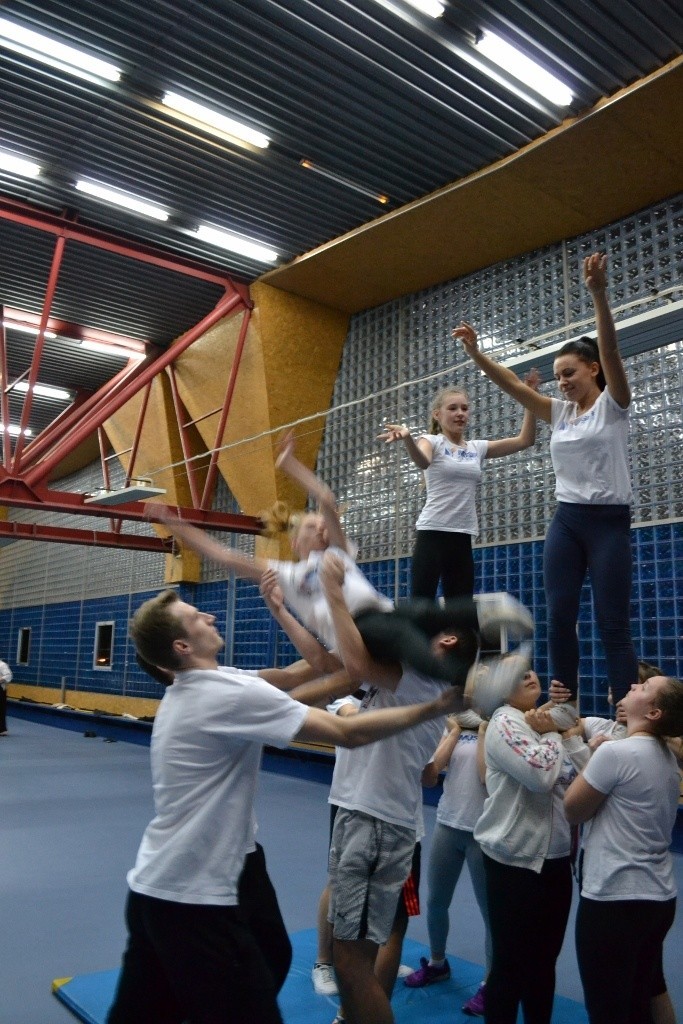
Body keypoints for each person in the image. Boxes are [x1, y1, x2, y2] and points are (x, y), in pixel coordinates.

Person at [106, 589, 466, 1024]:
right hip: (189, 888)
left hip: (214, 869)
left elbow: (306, 673)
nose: (208, 614)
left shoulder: (221, 681)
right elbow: (346, 732)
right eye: (195, 616)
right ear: (182, 646)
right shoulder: (221, 695)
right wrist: (436, 707)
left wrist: (326, 630)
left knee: (272, 954)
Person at [316, 552, 531, 1024]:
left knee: (354, 955)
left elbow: (353, 660)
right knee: (356, 947)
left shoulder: (412, 676)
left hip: (376, 820)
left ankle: (359, 1015)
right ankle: (353, 1015)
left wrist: (332, 595)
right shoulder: (408, 673)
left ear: (447, 640)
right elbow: (334, 665)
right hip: (370, 815)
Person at [151, 434, 534, 691]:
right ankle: (472, 682)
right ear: (295, 539)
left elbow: (327, 499)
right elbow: (225, 556)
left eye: (324, 528)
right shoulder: (287, 574)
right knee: (406, 637)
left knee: (424, 610)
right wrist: (176, 524)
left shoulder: (338, 552)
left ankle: (488, 610)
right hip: (356, 633)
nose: (322, 531)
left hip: (383, 611)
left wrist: (291, 464)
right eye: (313, 528)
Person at [455, 252, 637, 704]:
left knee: (611, 620)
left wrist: (598, 294)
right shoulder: (560, 414)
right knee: (559, 614)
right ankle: (564, 701)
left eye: (569, 373)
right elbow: (515, 387)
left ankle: (625, 706)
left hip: (609, 522)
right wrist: (477, 354)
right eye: (557, 377)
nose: (562, 382)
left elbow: (611, 349)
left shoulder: (614, 405)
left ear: (592, 369)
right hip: (568, 521)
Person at [564, 675, 683, 1024]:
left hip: (615, 899)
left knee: (607, 1008)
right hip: (658, 897)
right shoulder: (666, 757)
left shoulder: (615, 752)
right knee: (640, 997)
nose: (632, 687)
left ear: (654, 712)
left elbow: (572, 810)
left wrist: (592, 755)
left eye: (643, 688)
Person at [472, 667, 586, 1024]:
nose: (528, 675)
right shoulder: (505, 722)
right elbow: (540, 775)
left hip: (554, 860)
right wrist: (553, 732)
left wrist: (561, 725)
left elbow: (574, 773)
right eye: (515, 675)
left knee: (544, 964)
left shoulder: (534, 719)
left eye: (530, 670)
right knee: (509, 966)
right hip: (514, 862)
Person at [379, 372, 537, 600]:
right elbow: (422, 461)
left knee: (461, 608)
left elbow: (525, 440)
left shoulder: (477, 448)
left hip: (462, 534)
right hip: (432, 532)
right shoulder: (431, 441)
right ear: (437, 414)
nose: (460, 414)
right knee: (422, 604)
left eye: (464, 408)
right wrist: (408, 439)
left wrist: (530, 398)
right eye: (453, 408)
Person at [403, 709, 491, 1018]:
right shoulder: (456, 724)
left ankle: (491, 984)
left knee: (489, 914)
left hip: (484, 832)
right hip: (448, 823)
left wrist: (482, 729)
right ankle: (438, 963)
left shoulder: (502, 724)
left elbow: (486, 777)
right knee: (436, 900)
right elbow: (429, 776)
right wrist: (453, 731)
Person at [0, 658, 12, 735]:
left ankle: (2, 729)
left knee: (0, 709)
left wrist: (1, 679)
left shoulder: (2, 665)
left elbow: (9, 675)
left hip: (0, 689)